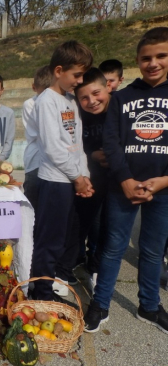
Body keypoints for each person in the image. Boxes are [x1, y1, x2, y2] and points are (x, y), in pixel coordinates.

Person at [84, 27, 168, 334]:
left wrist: (163, 181)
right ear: (137, 60)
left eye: (161, 56)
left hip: (163, 189)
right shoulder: (123, 98)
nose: (153, 63)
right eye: (146, 57)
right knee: (113, 247)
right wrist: (126, 179)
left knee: (152, 250)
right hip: (125, 187)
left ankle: (149, 306)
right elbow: (111, 143)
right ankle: (100, 303)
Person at [28, 40, 94, 303]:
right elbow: (54, 148)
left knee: (63, 238)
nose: (79, 81)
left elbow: (77, 144)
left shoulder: (69, 101)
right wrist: (77, 177)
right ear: (58, 71)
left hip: (70, 180)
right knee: (49, 241)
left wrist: (85, 174)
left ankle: (47, 287)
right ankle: (41, 292)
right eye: (76, 75)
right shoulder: (47, 101)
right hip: (55, 182)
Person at [73, 68, 112, 292]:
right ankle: (74, 262)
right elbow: (76, 144)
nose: (91, 101)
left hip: (116, 181)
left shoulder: (118, 109)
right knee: (84, 223)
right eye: (84, 98)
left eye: (96, 94)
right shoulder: (80, 113)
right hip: (89, 179)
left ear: (108, 86)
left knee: (107, 230)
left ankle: (96, 269)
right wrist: (93, 155)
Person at [22, 65, 52, 211]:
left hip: (55, 165)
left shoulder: (61, 102)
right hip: (35, 162)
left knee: (50, 208)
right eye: (42, 92)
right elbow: (41, 134)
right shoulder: (29, 104)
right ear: (34, 88)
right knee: (31, 207)